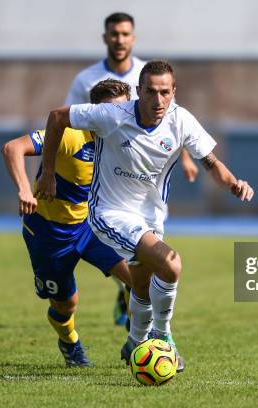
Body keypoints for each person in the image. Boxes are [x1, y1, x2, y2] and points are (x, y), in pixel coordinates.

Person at [35, 60, 254, 372]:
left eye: (165, 92)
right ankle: (162, 338)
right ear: (139, 92)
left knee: (141, 284)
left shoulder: (181, 121)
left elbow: (211, 162)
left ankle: (135, 342)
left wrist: (233, 183)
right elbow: (57, 117)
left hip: (151, 217)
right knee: (171, 264)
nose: (158, 99)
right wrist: (48, 173)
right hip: (109, 213)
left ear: (173, 92)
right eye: (151, 91)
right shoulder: (113, 115)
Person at [65, 12, 199, 327]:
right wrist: (51, 168)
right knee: (137, 255)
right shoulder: (85, 79)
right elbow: (69, 121)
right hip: (102, 178)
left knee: (142, 264)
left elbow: (173, 122)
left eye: (125, 34)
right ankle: (149, 324)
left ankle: (136, 322)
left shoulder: (146, 73)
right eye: (114, 33)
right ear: (106, 37)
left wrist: (191, 157)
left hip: (141, 184)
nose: (120, 39)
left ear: (133, 38)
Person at [1, 79, 133, 367]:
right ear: (92, 111)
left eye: (122, 110)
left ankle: (139, 342)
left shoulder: (125, 141)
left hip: (92, 227)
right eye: (108, 111)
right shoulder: (71, 135)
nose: (115, 118)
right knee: (65, 304)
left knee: (139, 280)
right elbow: (12, 148)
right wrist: (25, 189)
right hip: (50, 232)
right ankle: (70, 342)